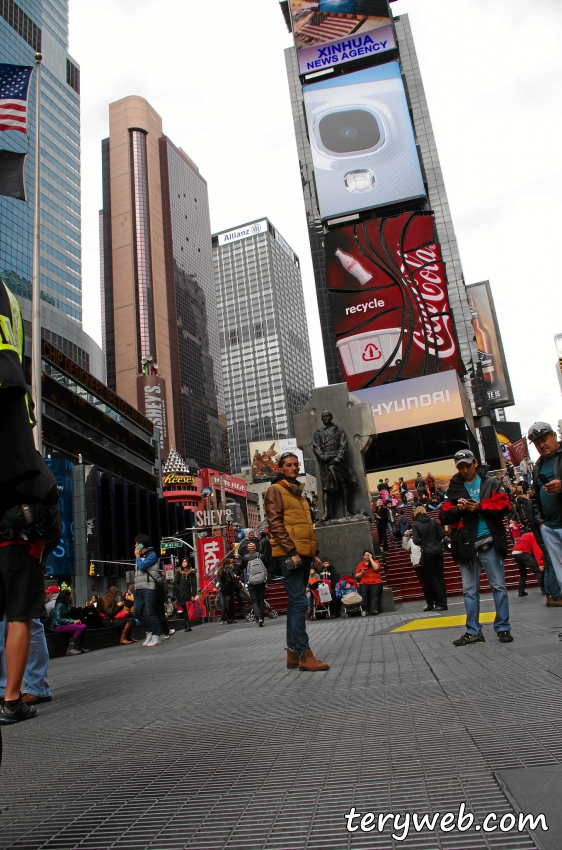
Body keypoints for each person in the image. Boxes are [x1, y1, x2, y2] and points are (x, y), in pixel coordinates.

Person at [264, 451, 329, 671]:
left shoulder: (298, 492)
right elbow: (275, 524)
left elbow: (305, 526)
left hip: (303, 552)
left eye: (296, 464)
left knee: (295, 603)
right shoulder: (276, 490)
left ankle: (293, 654)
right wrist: (292, 551)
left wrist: (314, 551)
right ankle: (304, 653)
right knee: (300, 601)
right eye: (289, 465)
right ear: (280, 468)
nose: (293, 467)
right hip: (289, 554)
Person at [440, 449, 512, 646]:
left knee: (498, 586)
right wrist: (459, 509)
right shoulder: (454, 487)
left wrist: (479, 508)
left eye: (467, 465)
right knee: (469, 591)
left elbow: (504, 507)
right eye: (461, 467)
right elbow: (444, 515)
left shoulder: (490, 482)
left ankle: (503, 627)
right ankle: (474, 631)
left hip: (488, 540)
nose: (465, 470)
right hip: (466, 545)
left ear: (475, 463)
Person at [528, 422, 562, 589]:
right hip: (550, 527)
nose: (541, 445)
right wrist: (542, 523)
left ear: (554, 436)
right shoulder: (538, 465)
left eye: (544, 439)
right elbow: (534, 498)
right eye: (537, 443)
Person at [412, 506, 448, 611]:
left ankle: (441, 603)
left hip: (428, 552)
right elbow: (442, 534)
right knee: (440, 576)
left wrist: (423, 542)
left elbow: (415, 540)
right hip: (438, 551)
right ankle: (443, 601)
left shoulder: (416, 524)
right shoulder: (433, 521)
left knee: (433, 578)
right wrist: (435, 540)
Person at [133, 534, 161, 648]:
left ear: (140, 545)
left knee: (150, 612)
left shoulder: (152, 555)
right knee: (137, 612)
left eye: (136, 544)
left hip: (148, 588)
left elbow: (142, 566)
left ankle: (155, 635)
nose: (134, 546)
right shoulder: (140, 556)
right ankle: (149, 631)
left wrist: (137, 557)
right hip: (138, 588)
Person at [51, 589, 89, 656]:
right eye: (70, 595)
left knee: (84, 626)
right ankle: (70, 649)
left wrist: (75, 621)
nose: (71, 597)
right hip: (58, 626)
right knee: (80, 628)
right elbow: (59, 619)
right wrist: (72, 621)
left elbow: (67, 618)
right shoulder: (60, 605)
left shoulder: (66, 605)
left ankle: (78, 647)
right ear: (66, 596)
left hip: (64, 624)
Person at [512, 532, 544, 597]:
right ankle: (544, 589)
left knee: (523, 573)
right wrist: (540, 564)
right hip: (524, 552)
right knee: (537, 570)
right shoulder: (535, 536)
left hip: (515, 552)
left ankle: (521, 591)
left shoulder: (527, 535)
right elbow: (537, 550)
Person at [244, 541, 267, 626]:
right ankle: (262, 619)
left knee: (254, 601)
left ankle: (258, 618)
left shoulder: (245, 558)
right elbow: (266, 565)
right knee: (261, 599)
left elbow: (243, 569)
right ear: (255, 548)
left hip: (251, 582)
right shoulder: (260, 556)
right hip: (261, 580)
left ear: (247, 549)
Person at [355, 551, 383, 615]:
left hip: (376, 582)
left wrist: (371, 559)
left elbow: (376, 568)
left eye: (369, 555)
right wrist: (362, 573)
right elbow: (357, 576)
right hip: (364, 582)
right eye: (365, 555)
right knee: (363, 593)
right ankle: (364, 610)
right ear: (363, 557)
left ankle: (373, 609)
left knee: (374, 594)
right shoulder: (361, 564)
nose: (367, 556)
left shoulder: (375, 562)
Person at [173, 559, 196, 632]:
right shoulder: (179, 573)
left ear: (188, 563)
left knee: (189, 610)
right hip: (181, 595)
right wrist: (180, 589)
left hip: (188, 594)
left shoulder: (191, 573)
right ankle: (187, 625)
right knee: (184, 610)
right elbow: (175, 583)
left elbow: (194, 584)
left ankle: (188, 624)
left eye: (185, 562)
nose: (183, 563)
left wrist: (193, 594)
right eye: (182, 562)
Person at [217, 559, 236, 624]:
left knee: (226, 603)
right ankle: (230, 618)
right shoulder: (229, 569)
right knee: (229, 603)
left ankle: (228, 617)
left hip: (223, 587)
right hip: (229, 586)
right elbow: (233, 577)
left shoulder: (221, 570)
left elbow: (219, 578)